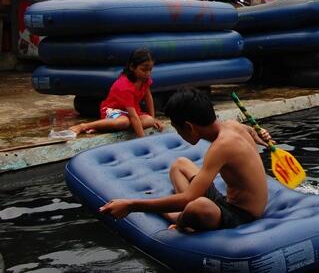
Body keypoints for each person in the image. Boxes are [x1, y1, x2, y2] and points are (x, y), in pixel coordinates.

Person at [98, 88, 274, 231]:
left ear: (189, 127)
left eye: (177, 129)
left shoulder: (221, 146)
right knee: (179, 165)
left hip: (242, 214)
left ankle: (177, 218)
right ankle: (181, 213)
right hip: (226, 202)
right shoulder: (232, 125)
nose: (178, 134)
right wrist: (261, 134)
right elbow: (251, 131)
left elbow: (189, 198)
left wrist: (131, 205)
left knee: (198, 206)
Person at [69, 48, 163, 137]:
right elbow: (133, 117)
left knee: (149, 121)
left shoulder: (144, 79)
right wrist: (144, 141)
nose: (148, 73)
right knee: (123, 122)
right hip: (113, 110)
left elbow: (148, 97)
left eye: (150, 70)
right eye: (143, 70)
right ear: (132, 67)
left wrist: (154, 118)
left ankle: (106, 127)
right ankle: (84, 126)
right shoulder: (125, 86)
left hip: (131, 112)